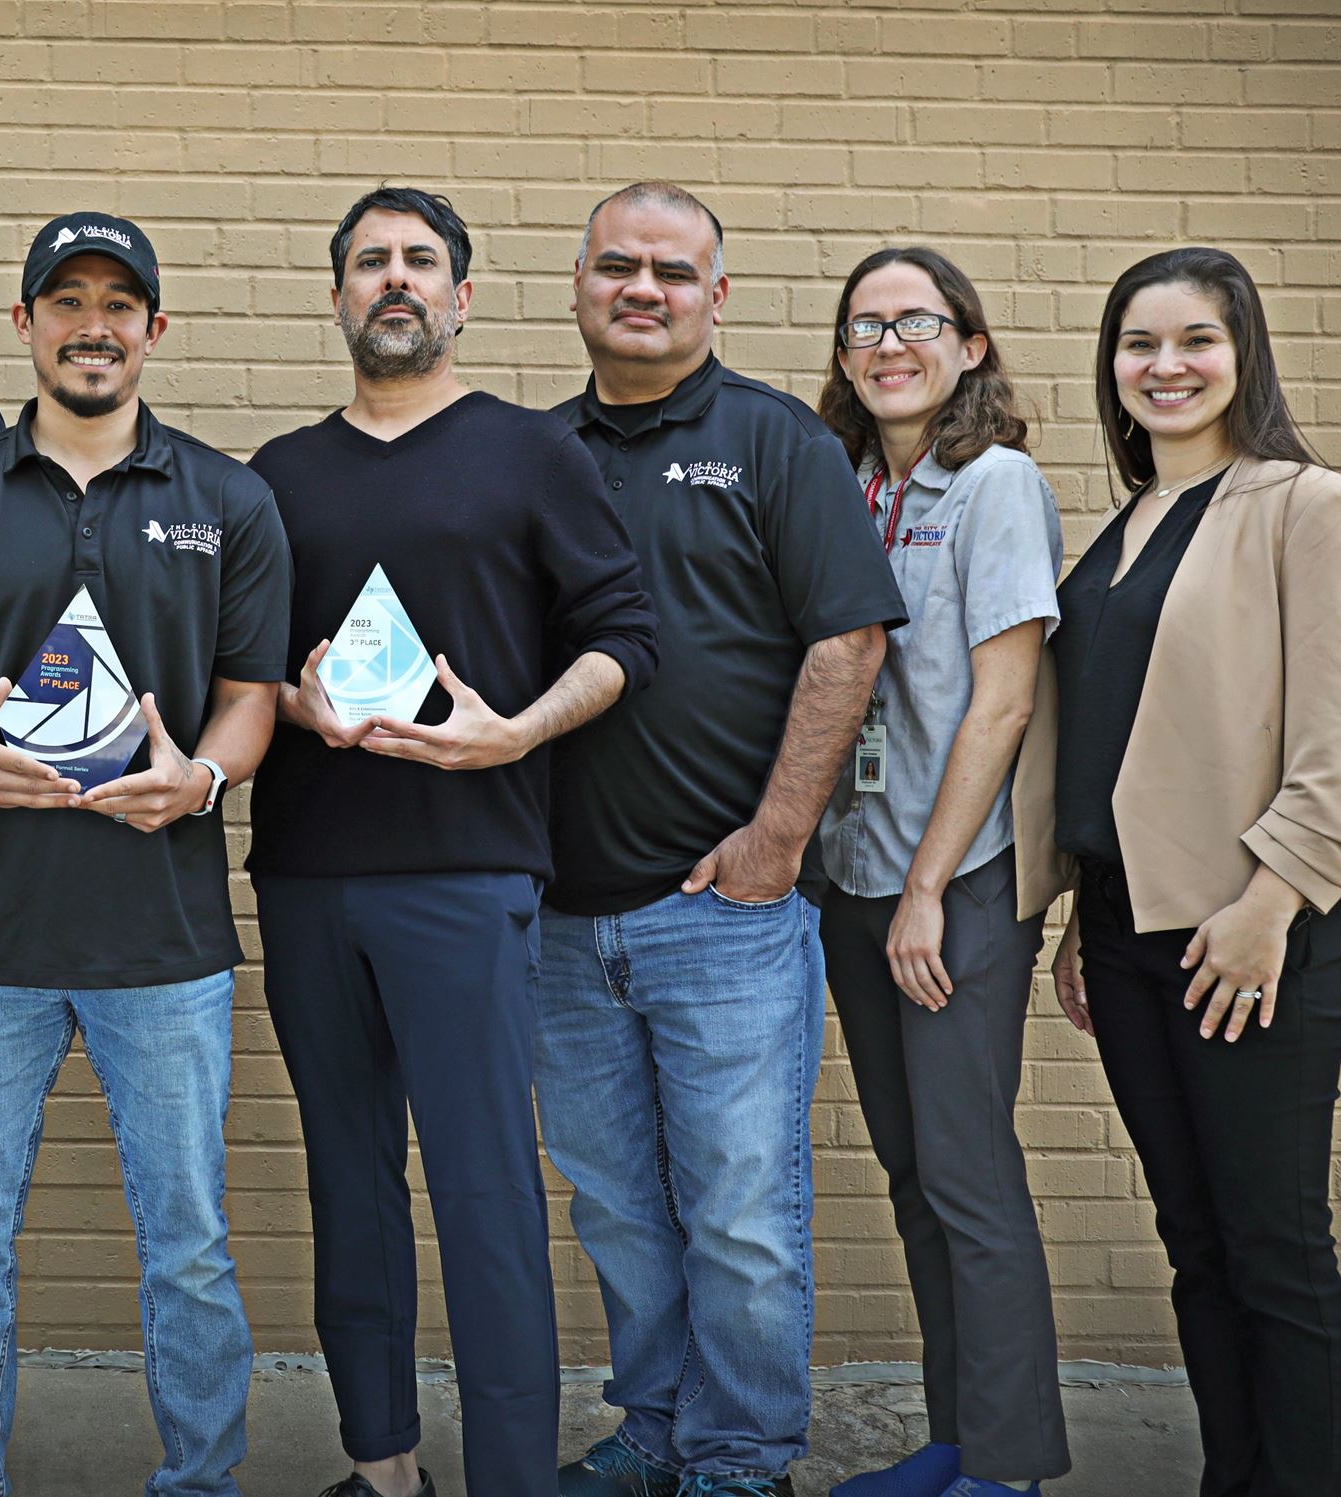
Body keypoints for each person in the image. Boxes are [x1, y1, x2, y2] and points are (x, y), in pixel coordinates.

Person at [246, 186, 657, 1497]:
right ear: (338, 298)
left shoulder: (532, 454)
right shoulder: (279, 476)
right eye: (369, 261)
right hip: (309, 872)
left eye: (421, 260)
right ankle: (383, 1470)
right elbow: (241, 668)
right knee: (350, 1190)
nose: (395, 279)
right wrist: (289, 701)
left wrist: (517, 731)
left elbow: (625, 638)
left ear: (464, 296)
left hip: (467, 871)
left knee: (484, 1197)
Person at [0, 212, 290, 1497]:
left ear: (154, 331)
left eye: (120, 303)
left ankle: (200, 1481)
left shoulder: (230, 499)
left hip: (164, 945)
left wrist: (203, 776)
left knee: (188, 1248)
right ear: (25, 325)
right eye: (67, 301)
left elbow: (252, 692)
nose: (93, 324)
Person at [534, 182, 904, 1497]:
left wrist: (774, 841)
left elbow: (849, 636)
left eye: (674, 271)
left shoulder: (776, 442)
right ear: (578, 283)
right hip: (560, 923)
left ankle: (739, 1462)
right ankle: (656, 1433)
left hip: (724, 916)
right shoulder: (530, 451)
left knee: (741, 1222)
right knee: (624, 1215)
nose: (645, 288)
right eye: (619, 265)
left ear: (718, 296)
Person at [1013, 247, 1341, 1497]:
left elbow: (1337, 754)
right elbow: (1118, 745)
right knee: (1194, 1245)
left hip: (1250, 934)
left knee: (1272, 1248)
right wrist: (1075, 911)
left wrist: (1267, 905)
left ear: (1241, 358)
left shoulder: (1308, 505)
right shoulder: (1121, 532)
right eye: (1137, 345)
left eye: (1193, 343)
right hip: (1126, 935)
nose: (1163, 367)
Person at [808, 248, 1069, 1497]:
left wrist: (923, 887)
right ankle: (956, 1439)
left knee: (966, 1170)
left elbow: (1002, 703)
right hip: (852, 877)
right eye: (864, 324)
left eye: (915, 320)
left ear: (967, 344)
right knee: (914, 1175)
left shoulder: (995, 483)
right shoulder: (851, 483)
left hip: (948, 884)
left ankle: (1008, 1466)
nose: (886, 342)